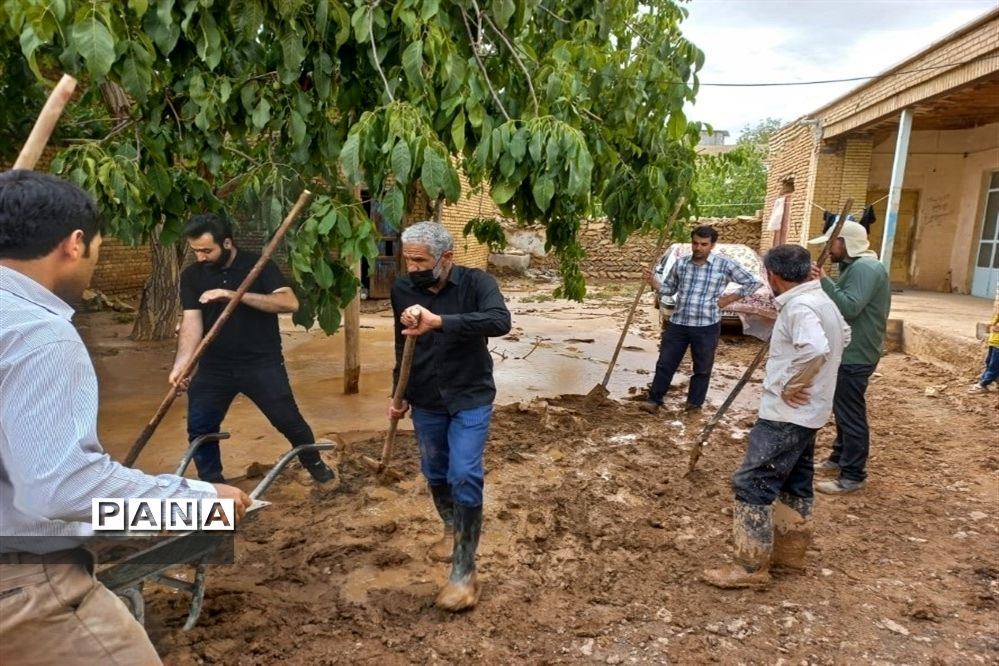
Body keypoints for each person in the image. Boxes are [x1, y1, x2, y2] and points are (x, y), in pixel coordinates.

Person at [0, 170, 251, 665]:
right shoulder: (38, 335)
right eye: (97, 247)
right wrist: (198, 503)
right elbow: (61, 490)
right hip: (26, 586)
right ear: (75, 244)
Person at [702, 245, 850, 589]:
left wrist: (793, 384)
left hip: (786, 413)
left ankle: (750, 568)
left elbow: (815, 348)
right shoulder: (821, 301)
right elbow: (844, 335)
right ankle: (790, 553)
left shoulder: (799, 307)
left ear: (772, 276)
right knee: (796, 480)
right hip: (811, 412)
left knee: (753, 481)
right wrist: (814, 380)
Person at [389, 221, 511, 611]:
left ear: (447, 258)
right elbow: (400, 343)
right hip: (425, 396)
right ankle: (451, 525)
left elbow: (499, 321)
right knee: (436, 472)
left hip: (470, 394)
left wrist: (440, 322)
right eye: (408, 260)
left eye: (421, 260)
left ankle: (464, 572)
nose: (413, 268)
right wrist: (399, 392)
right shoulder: (403, 289)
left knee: (464, 473)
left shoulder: (477, 284)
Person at [169, 213, 334, 484]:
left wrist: (234, 295)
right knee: (200, 428)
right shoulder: (192, 275)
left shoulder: (258, 266)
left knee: (288, 421)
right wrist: (182, 365)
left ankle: (313, 461)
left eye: (207, 251)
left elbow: (289, 303)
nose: (200, 257)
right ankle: (214, 487)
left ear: (227, 243)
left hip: (261, 363)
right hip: (214, 367)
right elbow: (191, 322)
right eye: (196, 251)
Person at [807, 220, 891, 494]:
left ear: (844, 242)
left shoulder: (866, 268)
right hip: (850, 351)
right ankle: (838, 457)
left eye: (832, 243)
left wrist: (823, 281)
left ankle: (853, 474)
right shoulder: (856, 266)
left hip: (857, 353)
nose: (829, 250)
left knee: (850, 413)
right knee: (842, 409)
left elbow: (851, 308)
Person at [641, 225, 762, 413]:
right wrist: (654, 282)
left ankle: (693, 405)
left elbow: (754, 281)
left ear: (712, 245)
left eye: (703, 244)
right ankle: (655, 400)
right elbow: (669, 290)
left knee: (702, 368)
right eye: (695, 243)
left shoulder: (724, 264)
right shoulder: (681, 264)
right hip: (678, 324)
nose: (698, 248)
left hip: (706, 326)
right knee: (665, 363)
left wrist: (729, 299)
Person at [967, 307, 999, 394]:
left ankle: (983, 384)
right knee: (989, 362)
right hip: (994, 342)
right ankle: (985, 382)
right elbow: (994, 324)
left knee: (994, 366)